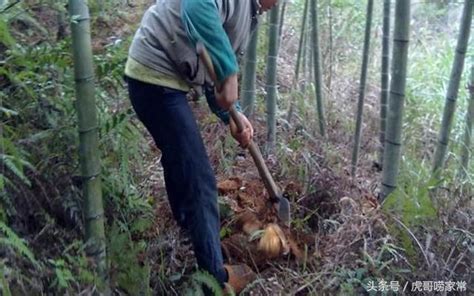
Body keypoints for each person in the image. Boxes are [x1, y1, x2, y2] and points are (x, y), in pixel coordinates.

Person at [124, 0, 278, 293]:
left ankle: (188, 222)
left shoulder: (250, 12)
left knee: (178, 156)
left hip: (159, 78)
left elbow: (211, 70)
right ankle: (215, 279)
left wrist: (232, 115)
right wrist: (229, 71)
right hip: (154, 74)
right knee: (199, 178)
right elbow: (196, 6)